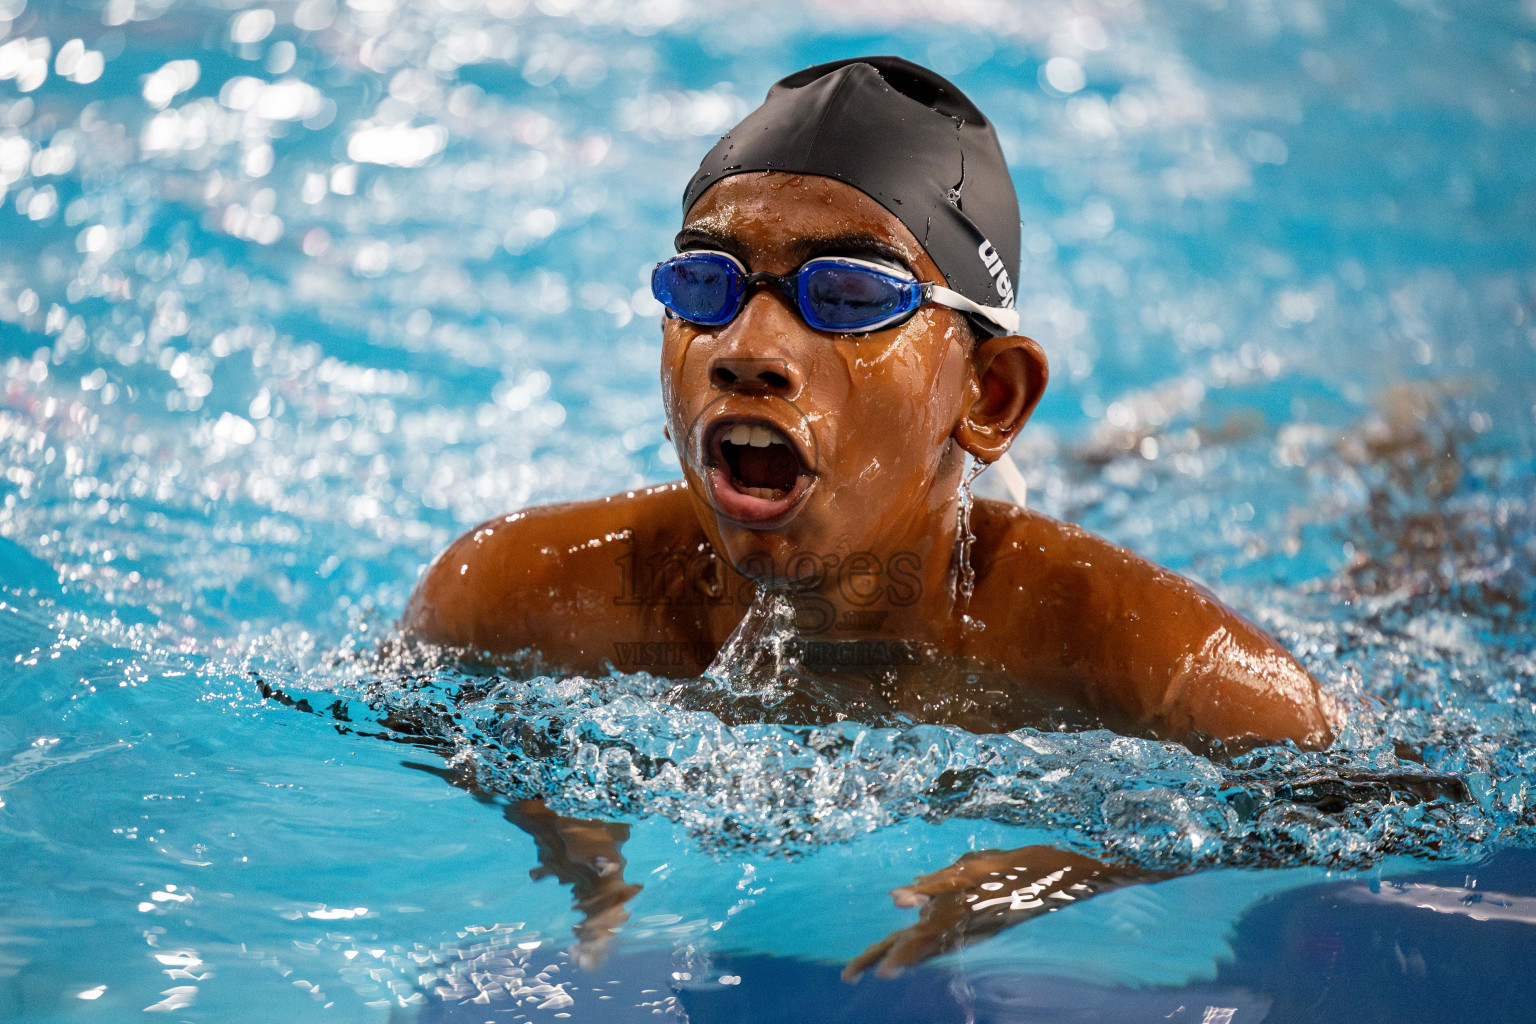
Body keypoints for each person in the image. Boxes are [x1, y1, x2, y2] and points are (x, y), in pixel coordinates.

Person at [396, 56, 1334, 977]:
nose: (746, 349)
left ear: (990, 395)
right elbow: (425, 715)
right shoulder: (508, 596)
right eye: (706, 285)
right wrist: (552, 815)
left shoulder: (1154, 658)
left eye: (847, 295)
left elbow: (1373, 806)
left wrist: (1078, 868)